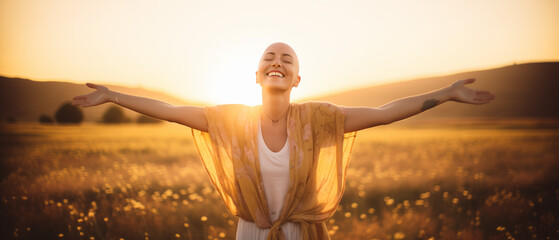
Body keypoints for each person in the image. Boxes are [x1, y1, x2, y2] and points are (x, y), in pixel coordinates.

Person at [72, 42, 495, 240]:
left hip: (303, 235)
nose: (277, 62)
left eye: (286, 59)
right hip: (251, 233)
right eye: (268, 59)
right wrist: (113, 96)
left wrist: (445, 94)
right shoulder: (231, 122)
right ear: (257, 75)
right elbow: (166, 109)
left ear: (296, 79)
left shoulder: (320, 120)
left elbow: (385, 113)